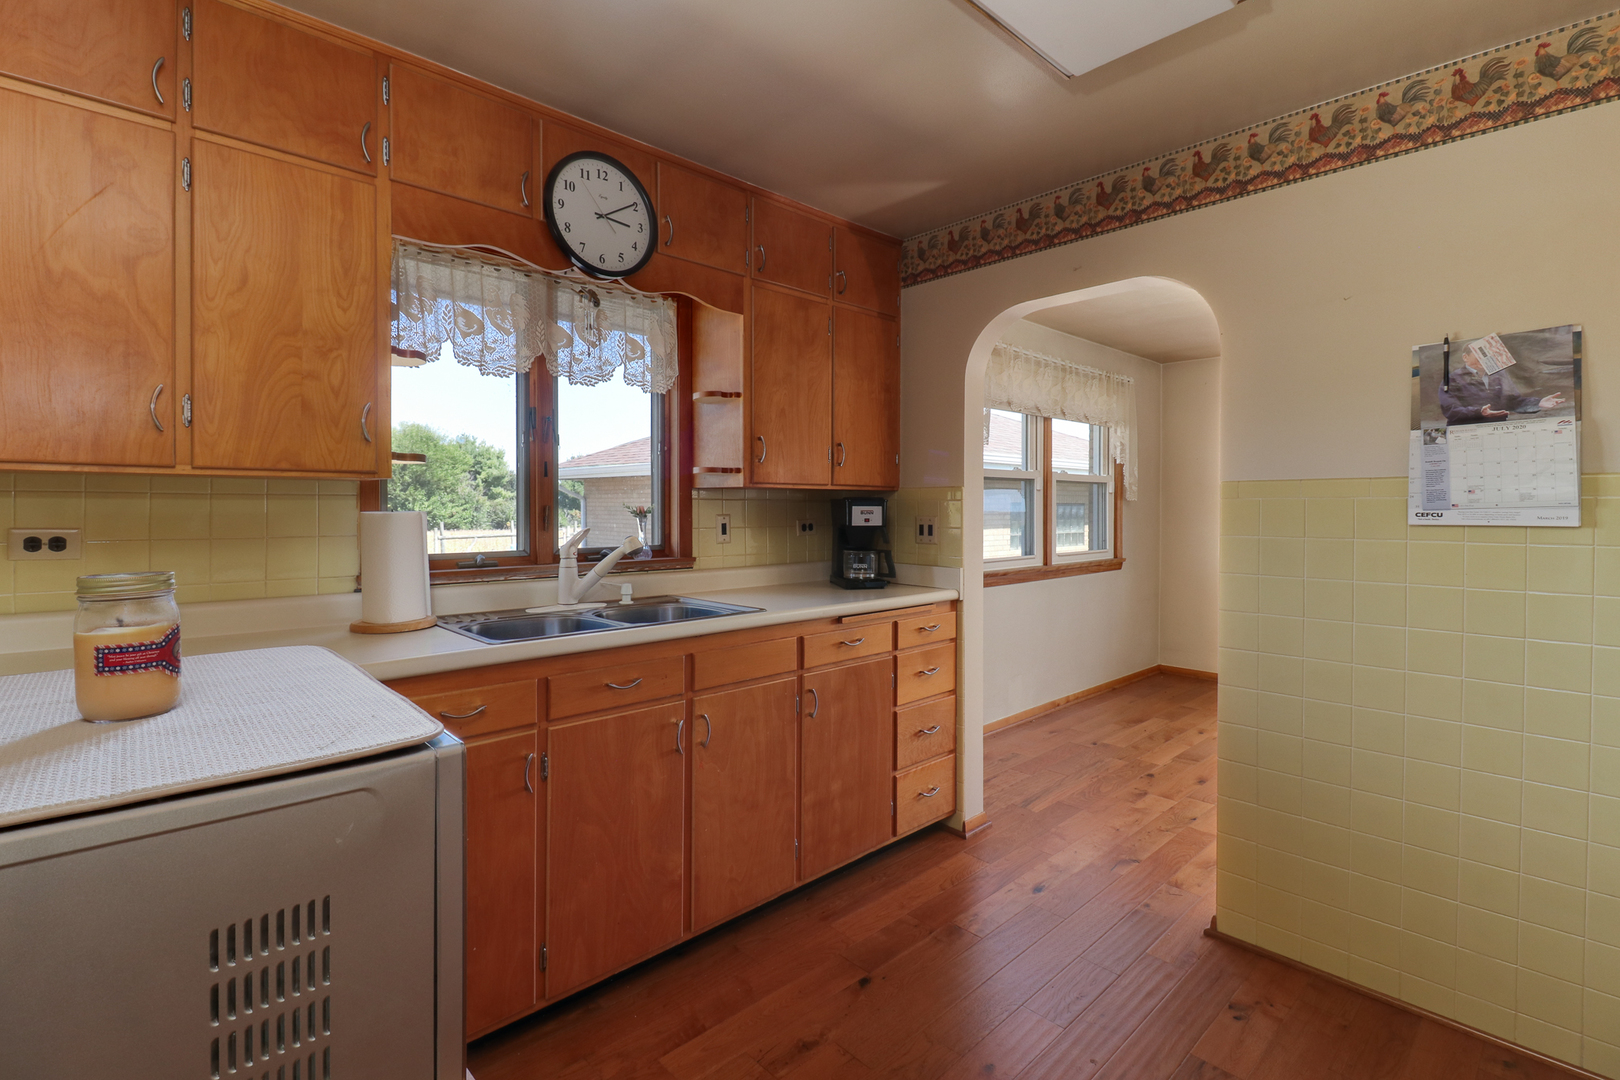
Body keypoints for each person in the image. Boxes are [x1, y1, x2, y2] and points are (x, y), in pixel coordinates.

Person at [1439, 348, 1566, 424]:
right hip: (1466, 434)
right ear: (1465, 357)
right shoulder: (1452, 379)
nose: (1484, 359)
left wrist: (1538, 403)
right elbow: (1451, 410)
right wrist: (1479, 412)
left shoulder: (1499, 374)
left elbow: (1513, 401)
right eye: (1479, 355)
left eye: (1487, 355)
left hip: (1497, 431)